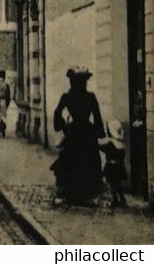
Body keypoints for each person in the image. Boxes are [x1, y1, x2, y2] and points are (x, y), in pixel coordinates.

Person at [51, 66, 105, 205]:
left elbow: (57, 113)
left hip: (73, 132)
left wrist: (63, 126)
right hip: (87, 132)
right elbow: (97, 116)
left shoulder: (67, 97)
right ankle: (87, 193)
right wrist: (98, 131)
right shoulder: (90, 97)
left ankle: (72, 192)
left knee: (71, 160)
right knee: (88, 161)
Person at [100, 119, 127, 208]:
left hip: (111, 167)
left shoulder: (110, 143)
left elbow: (102, 148)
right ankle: (122, 199)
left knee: (112, 184)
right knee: (118, 184)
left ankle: (115, 199)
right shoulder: (121, 144)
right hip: (119, 167)